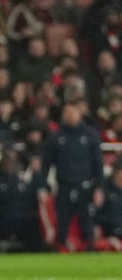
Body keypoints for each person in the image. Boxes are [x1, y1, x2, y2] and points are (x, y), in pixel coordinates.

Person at [37, 99, 104, 252]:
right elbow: (45, 163)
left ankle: (90, 252)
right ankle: (60, 249)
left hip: (86, 185)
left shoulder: (91, 135)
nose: (69, 115)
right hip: (64, 185)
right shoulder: (56, 137)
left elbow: (98, 164)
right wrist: (42, 186)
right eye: (66, 112)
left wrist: (99, 188)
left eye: (72, 112)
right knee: (62, 222)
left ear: (79, 113)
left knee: (87, 223)